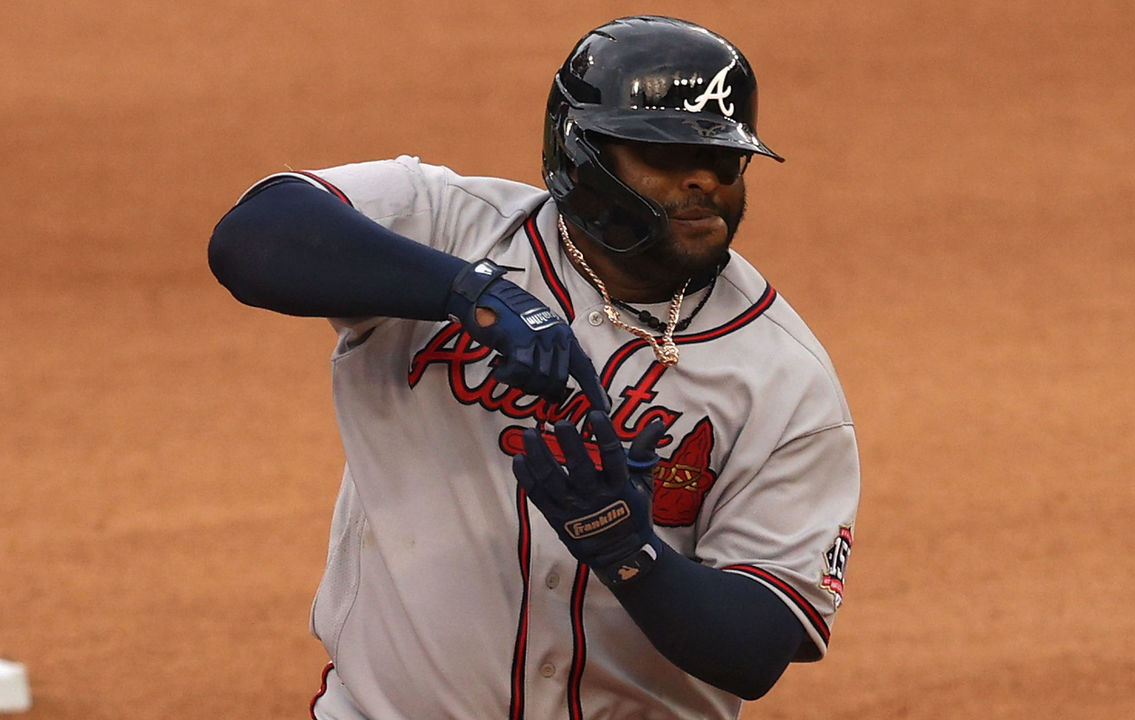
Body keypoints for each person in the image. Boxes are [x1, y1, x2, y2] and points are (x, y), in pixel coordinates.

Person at [208, 15, 860, 720]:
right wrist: (469, 292)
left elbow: (757, 646)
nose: (703, 179)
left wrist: (626, 546)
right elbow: (252, 238)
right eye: (664, 156)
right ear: (580, 155)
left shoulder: (786, 380)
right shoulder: (452, 227)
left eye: (724, 161)